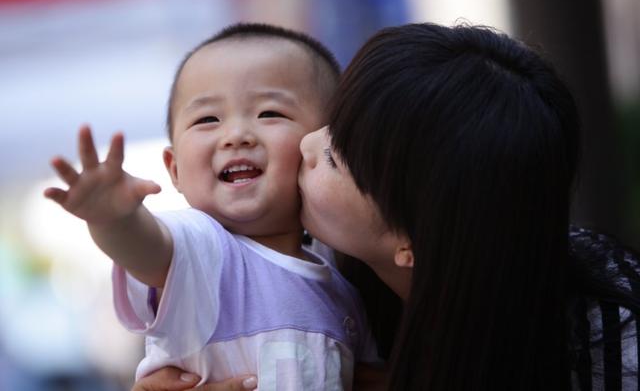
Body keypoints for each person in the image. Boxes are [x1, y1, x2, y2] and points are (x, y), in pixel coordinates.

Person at [135, 22, 640, 391]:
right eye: (335, 123)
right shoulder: (312, 269)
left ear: (412, 242)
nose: (307, 142)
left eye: (336, 157)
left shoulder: (609, 346)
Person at [44, 23, 380, 390]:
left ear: (324, 144)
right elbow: (148, 247)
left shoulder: (344, 287)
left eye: (270, 113)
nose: (236, 135)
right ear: (174, 169)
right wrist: (114, 220)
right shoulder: (205, 248)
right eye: (207, 119)